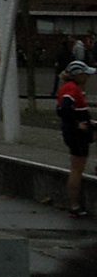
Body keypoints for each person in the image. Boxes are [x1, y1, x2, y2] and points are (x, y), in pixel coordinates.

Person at [57, 60, 92, 217]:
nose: (88, 78)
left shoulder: (70, 87)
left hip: (75, 131)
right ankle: (75, 206)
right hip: (76, 134)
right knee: (77, 169)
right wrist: (77, 124)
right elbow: (64, 109)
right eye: (85, 75)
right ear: (78, 75)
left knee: (76, 168)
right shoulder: (71, 88)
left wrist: (89, 122)